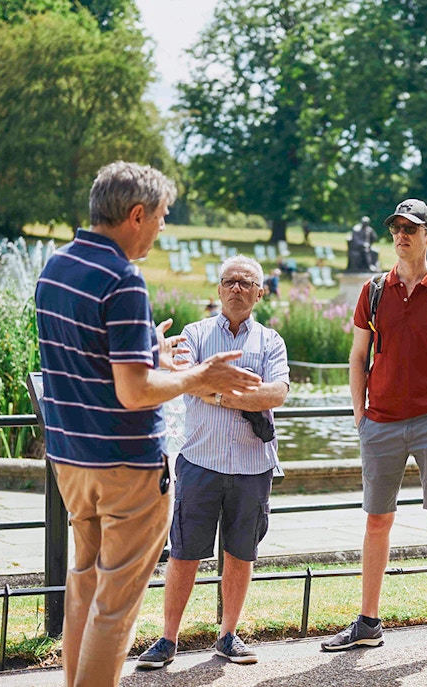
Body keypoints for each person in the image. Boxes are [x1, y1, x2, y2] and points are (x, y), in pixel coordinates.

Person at [34, 161, 261, 687]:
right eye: (160, 218)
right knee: (114, 609)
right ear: (136, 215)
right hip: (126, 468)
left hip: (72, 463)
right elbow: (133, 392)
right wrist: (198, 374)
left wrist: (152, 355)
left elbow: (84, 361)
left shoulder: (54, 267)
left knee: (84, 592)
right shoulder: (123, 279)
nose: (161, 229)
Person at [320, 198, 427, 662]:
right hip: (381, 423)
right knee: (376, 522)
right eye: (396, 228)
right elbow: (358, 356)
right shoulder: (373, 291)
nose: (401, 236)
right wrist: (359, 413)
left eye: (411, 229)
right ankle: (368, 623)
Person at [137, 255, 290, 669]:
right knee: (185, 552)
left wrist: (217, 391)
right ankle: (168, 640)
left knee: (241, 554)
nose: (237, 288)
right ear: (218, 290)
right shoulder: (196, 333)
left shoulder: (271, 341)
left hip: (252, 465)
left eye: (246, 282)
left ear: (260, 292)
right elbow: (185, 383)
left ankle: (228, 635)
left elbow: (276, 395)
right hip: (200, 461)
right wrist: (232, 390)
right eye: (229, 282)